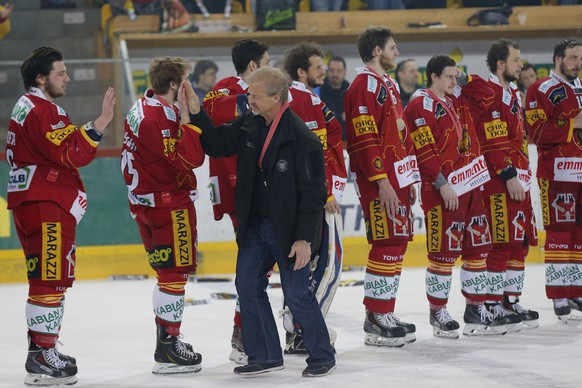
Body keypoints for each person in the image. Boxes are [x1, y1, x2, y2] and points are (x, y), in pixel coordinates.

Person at [188, 66, 336, 377]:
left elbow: (314, 195)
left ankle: (323, 355)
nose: (249, 101)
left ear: (277, 98)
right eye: (249, 95)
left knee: (296, 294)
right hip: (255, 225)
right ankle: (265, 354)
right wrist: (196, 111)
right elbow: (215, 144)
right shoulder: (249, 124)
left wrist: (304, 239)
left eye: (255, 96)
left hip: (290, 230)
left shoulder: (302, 138)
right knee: (246, 283)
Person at [5, 47, 115, 386]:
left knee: (46, 276)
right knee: (50, 278)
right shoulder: (43, 109)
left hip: (31, 199)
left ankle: (43, 347)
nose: (67, 78)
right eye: (60, 73)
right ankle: (41, 355)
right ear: (41, 78)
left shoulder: (26, 106)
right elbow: (70, 152)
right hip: (44, 202)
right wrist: (99, 125)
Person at [404, 55, 507, 338]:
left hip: (472, 188)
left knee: (478, 249)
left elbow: (491, 95)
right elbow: (424, 150)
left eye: (455, 76)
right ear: (434, 77)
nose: (454, 80)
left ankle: (475, 308)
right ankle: (438, 311)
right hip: (443, 192)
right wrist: (441, 183)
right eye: (449, 76)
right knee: (443, 254)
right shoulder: (418, 105)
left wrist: (464, 78)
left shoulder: (458, 97)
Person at [121, 56, 205, 374]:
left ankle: (167, 339)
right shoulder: (160, 119)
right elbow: (191, 158)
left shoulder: (142, 105)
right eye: (186, 80)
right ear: (175, 85)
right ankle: (168, 346)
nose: (190, 85)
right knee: (173, 275)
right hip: (167, 205)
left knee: (166, 274)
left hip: (145, 202)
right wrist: (187, 118)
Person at [344, 26, 420, 347]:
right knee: (386, 242)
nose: (397, 52)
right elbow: (363, 140)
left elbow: (399, 136)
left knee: (398, 242)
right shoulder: (363, 86)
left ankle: (386, 311)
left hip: (396, 179)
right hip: (380, 183)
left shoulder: (386, 83)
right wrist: (382, 180)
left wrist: (408, 175)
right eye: (392, 47)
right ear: (377, 50)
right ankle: (375, 317)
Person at [202, 38, 270, 364]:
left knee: (259, 264)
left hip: (259, 189)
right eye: (268, 62)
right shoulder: (224, 89)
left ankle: (247, 332)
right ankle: (243, 336)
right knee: (253, 264)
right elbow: (213, 112)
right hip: (237, 191)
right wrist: (256, 100)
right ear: (254, 66)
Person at [282, 42, 347, 353]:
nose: (323, 70)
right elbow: (313, 154)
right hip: (317, 199)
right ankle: (306, 329)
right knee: (329, 265)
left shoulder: (296, 97)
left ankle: (296, 329)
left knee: (302, 266)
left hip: (297, 199)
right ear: (301, 72)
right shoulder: (303, 100)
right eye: (318, 66)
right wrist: (328, 192)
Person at [474, 39, 539, 329]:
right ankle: (491, 303)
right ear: (501, 64)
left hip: (519, 178)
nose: (520, 65)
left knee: (520, 243)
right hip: (499, 181)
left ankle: (509, 300)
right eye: (515, 60)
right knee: (501, 244)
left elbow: (517, 138)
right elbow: (490, 140)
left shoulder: (513, 92)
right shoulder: (488, 93)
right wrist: (509, 174)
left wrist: (522, 174)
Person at [525, 38, 582, 321]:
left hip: (581, 171)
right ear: (557, 58)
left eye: (579, 58)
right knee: (560, 234)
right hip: (556, 173)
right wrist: (572, 123)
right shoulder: (540, 89)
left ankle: (576, 290)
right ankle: (559, 295)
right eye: (572, 58)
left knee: (580, 235)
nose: (576, 63)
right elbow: (535, 132)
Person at [319, 56, 350, 142]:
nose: (335, 74)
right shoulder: (316, 91)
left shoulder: (351, 92)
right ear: (327, 71)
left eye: (339, 71)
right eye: (331, 70)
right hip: (323, 142)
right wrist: (341, 117)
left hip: (346, 143)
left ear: (345, 73)